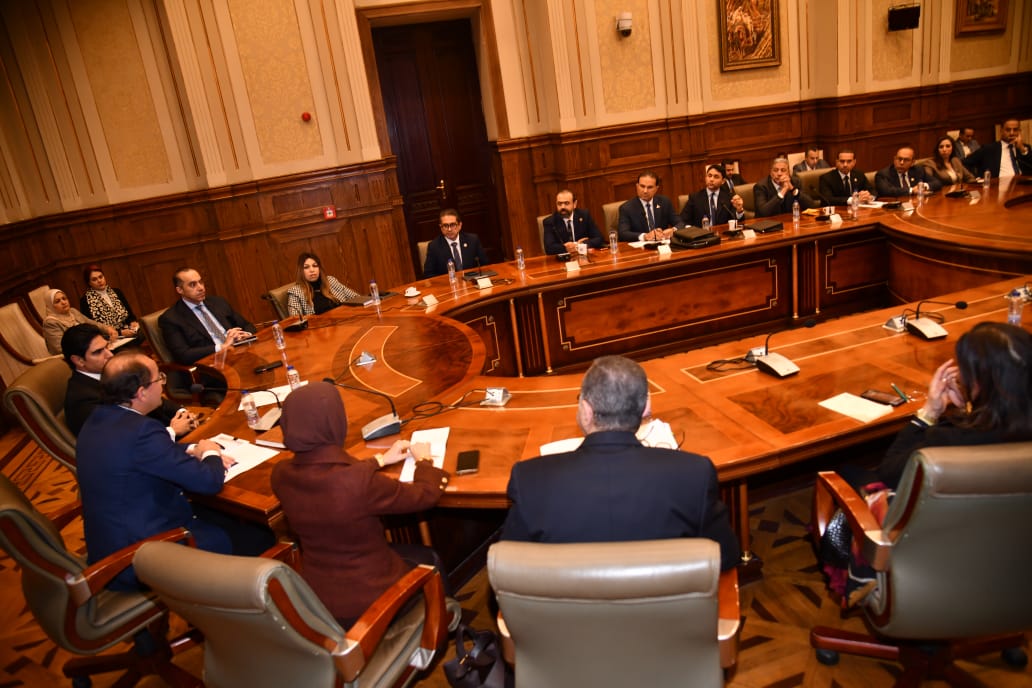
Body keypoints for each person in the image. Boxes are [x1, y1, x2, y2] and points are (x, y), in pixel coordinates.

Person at [500, 355, 740, 571]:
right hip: (664, 606)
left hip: (570, 606)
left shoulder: (530, 480)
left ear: (586, 410)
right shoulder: (694, 474)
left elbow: (507, 572)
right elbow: (726, 558)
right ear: (645, 409)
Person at [271, 382, 450, 626]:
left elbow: (327, 472)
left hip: (318, 600)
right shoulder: (357, 482)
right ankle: (444, 628)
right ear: (335, 422)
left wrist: (379, 460)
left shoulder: (280, 474)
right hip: (372, 602)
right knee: (430, 558)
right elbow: (425, 495)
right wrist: (424, 460)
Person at [75, 352, 249, 590]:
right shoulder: (142, 431)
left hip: (112, 544)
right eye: (159, 379)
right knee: (254, 534)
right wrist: (210, 452)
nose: (163, 386)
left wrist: (192, 449)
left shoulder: (98, 420)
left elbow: (147, 454)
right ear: (141, 393)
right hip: (140, 557)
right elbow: (209, 482)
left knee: (222, 516)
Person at [876, 322, 1032, 490]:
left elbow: (889, 473)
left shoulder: (951, 439)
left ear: (977, 383)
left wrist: (930, 412)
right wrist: (968, 409)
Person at [61, 323, 196, 436]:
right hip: (151, 446)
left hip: (164, 430)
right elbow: (120, 438)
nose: (109, 354)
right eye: (98, 352)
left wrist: (181, 413)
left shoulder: (112, 370)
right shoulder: (82, 400)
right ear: (78, 360)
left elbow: (151, 394)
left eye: (107, 347)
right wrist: (172, 431)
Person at [157, 267, 255, 364]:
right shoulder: (171, 318)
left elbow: (247, 325)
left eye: (200, 282)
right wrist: (222, 347)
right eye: (192, 285)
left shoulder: (218, 302)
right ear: (180, 290)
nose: (201, 288)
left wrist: (245, 335)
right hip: (212, 362)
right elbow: (183, 355)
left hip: (239, 352)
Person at [42, 288, 116, 355]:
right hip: (74, 357)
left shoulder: (73, 312)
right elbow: (60, 348)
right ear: (50, 305)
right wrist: (90, 346)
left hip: (91, 349)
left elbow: (91, 323)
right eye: (57, 301)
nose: (63, 302)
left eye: (64, 298)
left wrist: (107, 329)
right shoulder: (50, 322)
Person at [617, 171, 684, 242]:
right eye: (642, 186)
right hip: (641, 246)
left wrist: (673, 230)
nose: (645, 191)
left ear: (656, 188)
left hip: (663, 245)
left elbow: (681, 223)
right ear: (637, 186)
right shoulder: (627, 208)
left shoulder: (664, 202)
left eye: (650, 187)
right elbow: (622, 234)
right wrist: (645, 236)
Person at [286, 251, 361, 316]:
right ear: (301, 271)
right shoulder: (295, 292)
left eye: (315, 266)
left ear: (319, 268)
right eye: (306, 267)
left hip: (346, 319)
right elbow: (296, 320)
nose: (312, 270)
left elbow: (356, 298)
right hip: (321, 327)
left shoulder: (330, 281)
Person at [422, 208, 490, 278]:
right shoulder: (434, 246)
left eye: (452, 225)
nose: (449, 229)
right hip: (449, 283)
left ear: (460, 225)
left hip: (472, 281)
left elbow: (485, 266)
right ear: (441, 227)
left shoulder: (472, 240)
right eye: (445, 226)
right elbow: (428, 274)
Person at [79, 264, 140, 338]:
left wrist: (132, 322)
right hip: (108, 337)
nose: (99, 281)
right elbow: (92, 328)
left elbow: (130, 315)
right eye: (94, 279)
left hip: (128, 331)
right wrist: (120, 333)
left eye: (101, 277)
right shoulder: (85, 301)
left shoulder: (117, 292)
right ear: (89, 283)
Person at [962, 117, 1032, 178]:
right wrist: (974, 178)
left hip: (1021, 184)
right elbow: (964, 163)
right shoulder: (989, 149)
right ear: (1001, 131)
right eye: (1008, 130)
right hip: (997, 185)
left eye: (1015, 130)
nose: (1012, 133)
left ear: (1019, 131)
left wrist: (1022, 150)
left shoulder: (1024, 148)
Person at [679, 164, 746, 227]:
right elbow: (682, 220)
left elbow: (737, 222)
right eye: (709, 176)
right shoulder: (695, 198)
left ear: (723, 181)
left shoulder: (729, 197)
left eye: (716, 177)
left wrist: (739, 210)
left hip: (722, 233)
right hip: (701, 234)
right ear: (706, 178)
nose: (711, 179)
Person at [542, 189, 603, 255]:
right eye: (559, 204)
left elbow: (599, 238)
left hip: (583, 256)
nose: (563, 207)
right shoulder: (550, 222)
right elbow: (549, 248)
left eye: (566, 203)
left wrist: (580, 244)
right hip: (563, 259)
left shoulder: (584, 215)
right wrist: (565, 248)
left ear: (574, 204)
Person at [753, 157, 820, 217]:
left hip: (790, 222)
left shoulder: (795, 182)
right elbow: (763, 212)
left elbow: (811, 205)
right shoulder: (761, 187)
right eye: (775, 170)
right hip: (768, 224)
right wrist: (783, 191)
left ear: (788, 173)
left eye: (783, 170)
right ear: (771, 172)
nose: (779, 174)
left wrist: (793, 189)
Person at [874, 146, 941, 197]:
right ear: (894, 159)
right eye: (899, 159)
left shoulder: (918, 170)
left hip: (915, 204)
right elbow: (886, 191)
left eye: (906, 160)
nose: (901, 163)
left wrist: (923, 186)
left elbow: (937, 183)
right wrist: (912, 190)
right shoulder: (883, 174)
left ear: (912, 163)